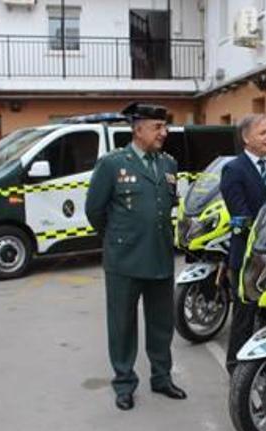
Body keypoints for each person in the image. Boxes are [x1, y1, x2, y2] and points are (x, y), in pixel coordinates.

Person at [85, 102, 186, 411]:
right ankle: (124, 383)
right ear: (138, 129)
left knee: (161, 323)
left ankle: (162, 377)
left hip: (159, 255)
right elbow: (94, 210)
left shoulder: (168, 164)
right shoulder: (113, 164)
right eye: (157, 127)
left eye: (164, 127)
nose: (163, 133)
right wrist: (117, 239)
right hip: (124, 260)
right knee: (122, 325)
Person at [219, 114, 266, 374]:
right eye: (263, 133)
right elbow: (240, 212)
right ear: (246, 138)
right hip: (248, 255)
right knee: (244, 314)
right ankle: (235, 368)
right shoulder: (233, 170)